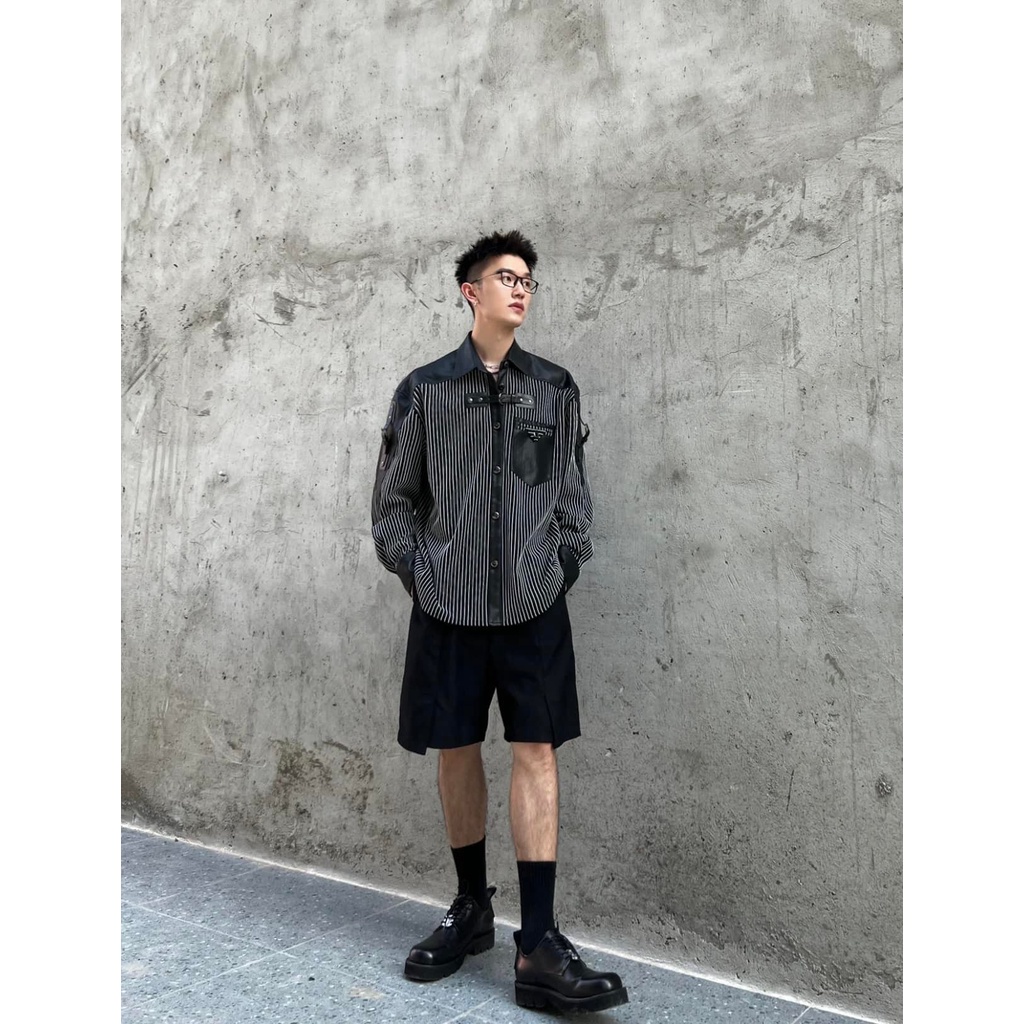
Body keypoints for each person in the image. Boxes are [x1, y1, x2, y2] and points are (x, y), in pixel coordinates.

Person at [371, 229, 628, 1013]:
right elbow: (393, 502)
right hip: (446, 608)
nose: (520, 289)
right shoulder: (424, 390)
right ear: (470, 292)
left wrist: (561, 566)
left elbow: (573, 498)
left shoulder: (553, 389)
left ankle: (538, 942)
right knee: (455, 748)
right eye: (506, 277)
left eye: (527, 281)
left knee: (536, 751)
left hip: (532, 608)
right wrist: (421, 572)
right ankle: (470, 908)